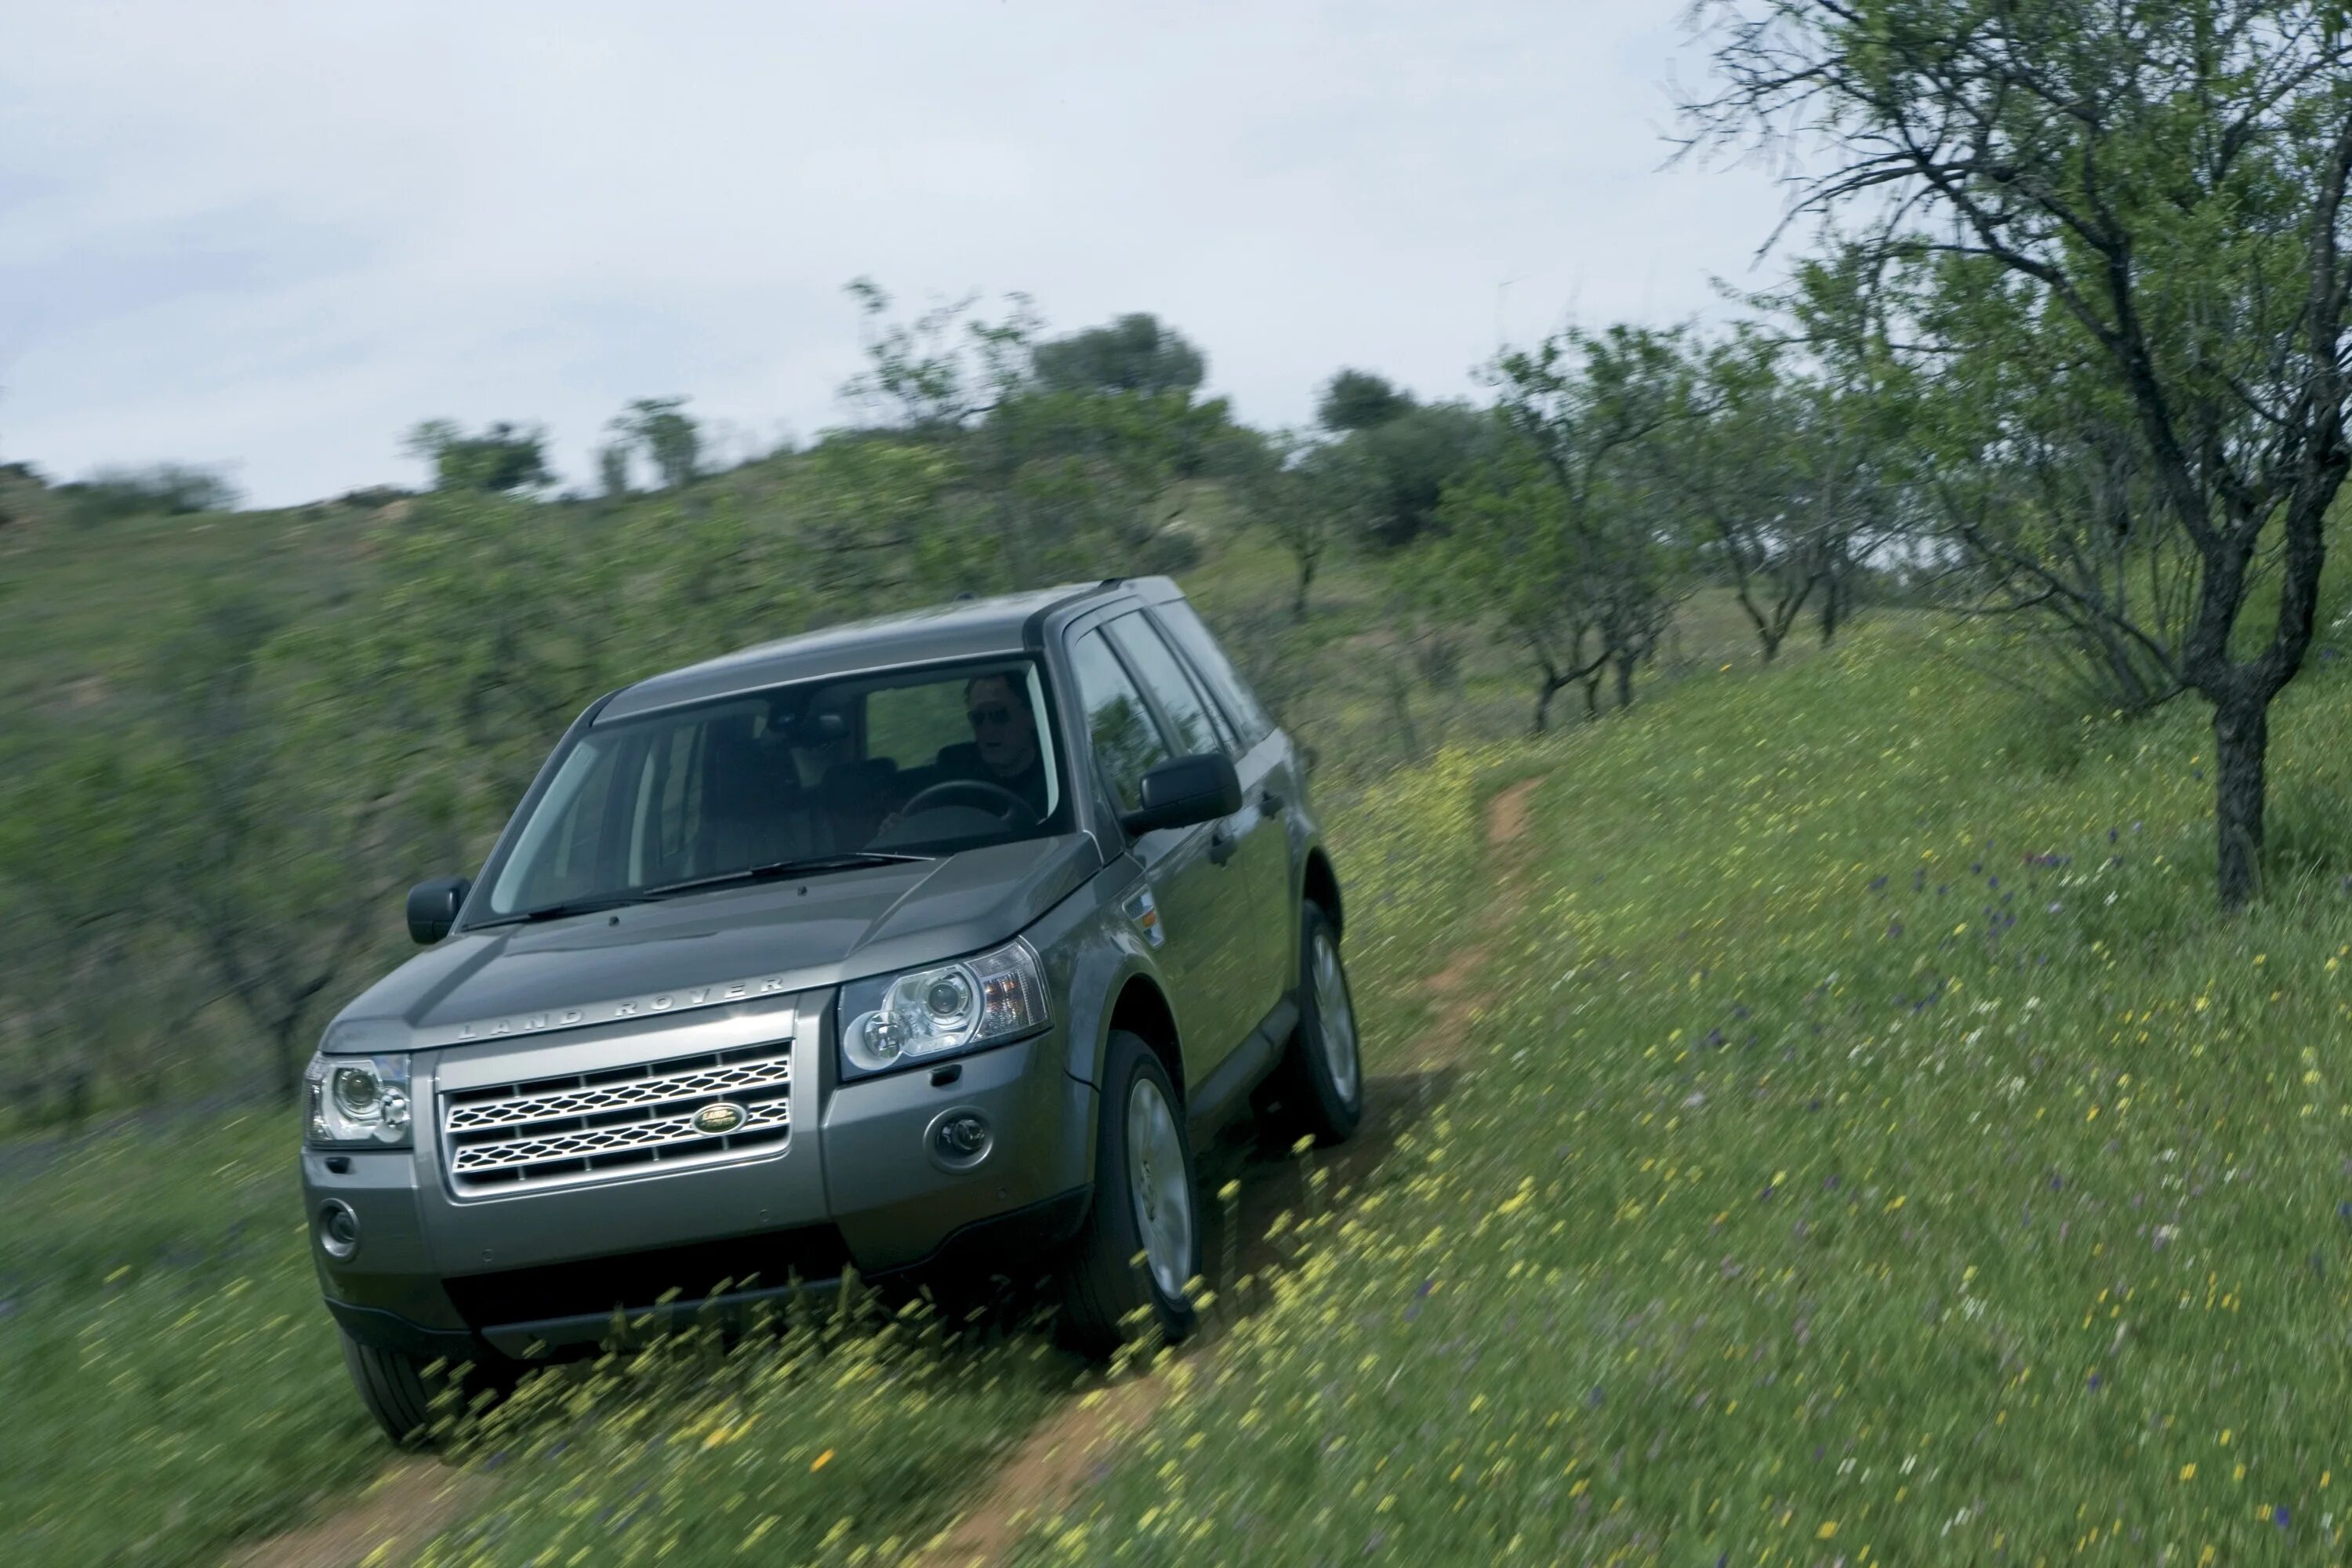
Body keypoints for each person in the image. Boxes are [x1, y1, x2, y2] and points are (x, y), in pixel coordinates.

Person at [952, 673, 1051, 818]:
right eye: (978, 718)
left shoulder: (1059, 779)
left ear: (1031, 716)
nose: (987, 729)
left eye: (999, 715)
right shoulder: (954, 772)